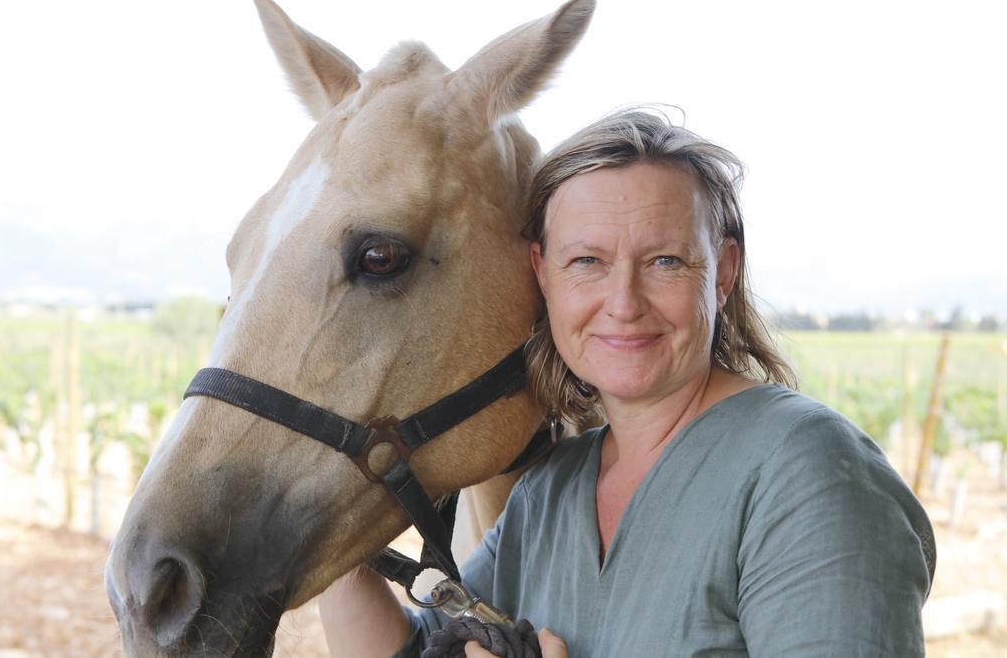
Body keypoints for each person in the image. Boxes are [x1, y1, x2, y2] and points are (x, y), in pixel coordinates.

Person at [319, 107, 935, 657]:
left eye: (664, 261)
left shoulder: (810, 472)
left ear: (721, 272)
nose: (623, 302)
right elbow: (425, 649)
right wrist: (330, 519)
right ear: (543, 273)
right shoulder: (550, 492)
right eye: (587, 261)